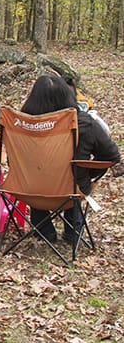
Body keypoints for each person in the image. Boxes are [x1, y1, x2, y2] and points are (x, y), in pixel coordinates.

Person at [21, 74, 120, 243]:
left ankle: (43, 230)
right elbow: (111, 156)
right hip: (70, 190)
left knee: (40, 172)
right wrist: (86, 171)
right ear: (66, 95)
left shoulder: (19, 123)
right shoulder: (84, 123)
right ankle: (73, 230)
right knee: (73, 175)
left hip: (28, 187)